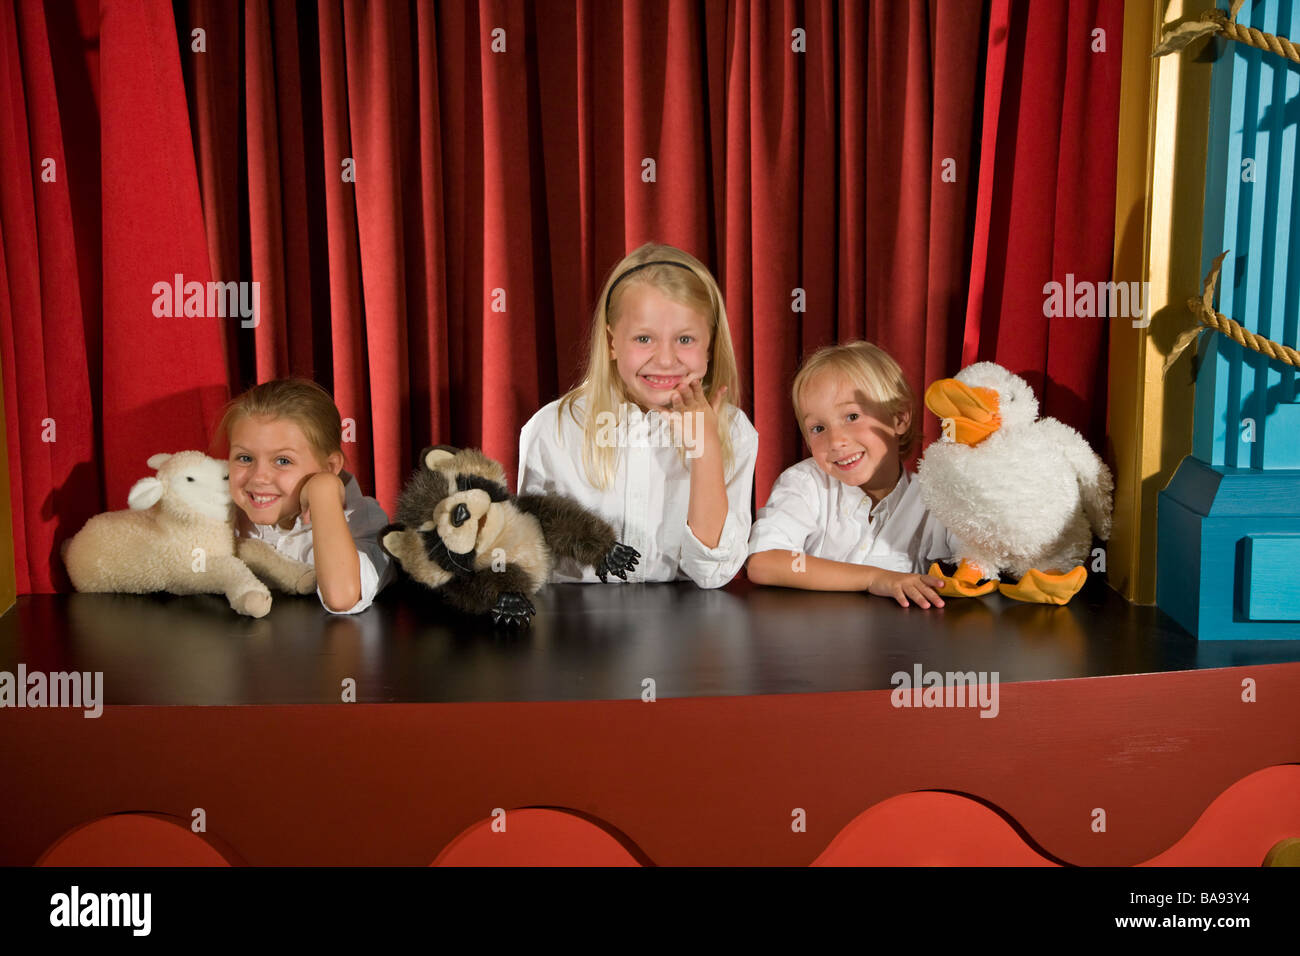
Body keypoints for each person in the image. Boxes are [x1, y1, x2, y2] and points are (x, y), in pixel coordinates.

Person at [518, 242, 758, 588]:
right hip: (576, 630)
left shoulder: (733, 431)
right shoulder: (552, 428)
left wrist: (705, 451)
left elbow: (712, 573)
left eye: (686, 339)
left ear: (710, 344)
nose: (665, 359)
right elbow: (531, 561)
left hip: (686, 630)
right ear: (612, 342)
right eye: (644, 338)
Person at [746, 341, 955, 608]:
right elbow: (764, 561)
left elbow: (980, 557)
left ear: (899, 418)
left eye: (852, 416)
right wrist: (874, 578)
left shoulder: (934, 500)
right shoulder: (805, 484)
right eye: (818, 428)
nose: (835, 441)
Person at [217, 378, 395, 614]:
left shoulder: (364, 520)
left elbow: (342, 598)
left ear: (330, 467)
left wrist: (324, 490)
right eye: (245, 458)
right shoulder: (220, 508)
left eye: (283, 461)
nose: (259, 477)